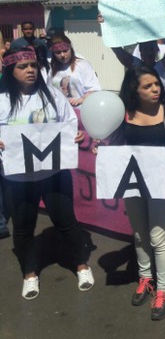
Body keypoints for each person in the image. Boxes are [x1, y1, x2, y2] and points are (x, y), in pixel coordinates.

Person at [0, 47, 94, 299]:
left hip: (54, 175)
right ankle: (29, 273)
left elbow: (70, 122)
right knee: (23, 228)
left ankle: (81, 265)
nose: (30, 70)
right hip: (18, 179)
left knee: (67, 222)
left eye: (32, 65)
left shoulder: (52, 94)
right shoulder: (2, 101)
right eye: (22, 66)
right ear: (10, 70)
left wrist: (77, 135)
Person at [108, 65, 165, 320]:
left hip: (160, 183)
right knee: (140, 234)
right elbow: (114, 141)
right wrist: (103, 149)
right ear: (135, 90)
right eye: (147, 86)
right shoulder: (124, 113)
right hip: (132, 183)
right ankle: (145, 279)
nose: (155, 89)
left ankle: (163, 290)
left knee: (158, 237)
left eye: (156, 84)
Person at [49, 34, 101, 107]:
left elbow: (93, 89)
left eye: (65, 51)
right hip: (58, 112)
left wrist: (81, 99)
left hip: (79, 111)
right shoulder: (50, 68)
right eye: (58, 52)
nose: (62, 55)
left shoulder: (83, 65)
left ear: (71, 48)